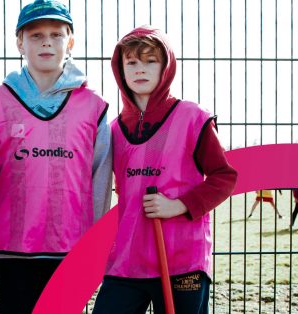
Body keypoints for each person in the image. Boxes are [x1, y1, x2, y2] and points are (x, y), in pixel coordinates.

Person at [0, 1, 112, 312]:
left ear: (71, 42)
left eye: (56, 34)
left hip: (70, 247)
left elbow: (100, 177)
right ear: (20, 43)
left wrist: (93, 245)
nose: (47, 42)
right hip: (10, 247)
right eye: (35, 35)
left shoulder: (93, 105)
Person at [92, 26, 238, 314]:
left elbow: (224, 177)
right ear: (120, 69)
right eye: (131, 62)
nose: (140, 69)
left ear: (166, 66)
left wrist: (179, 205)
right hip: (127, 260)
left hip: (181, 261)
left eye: (150, 60)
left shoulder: (193, 117)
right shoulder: (113, 131)